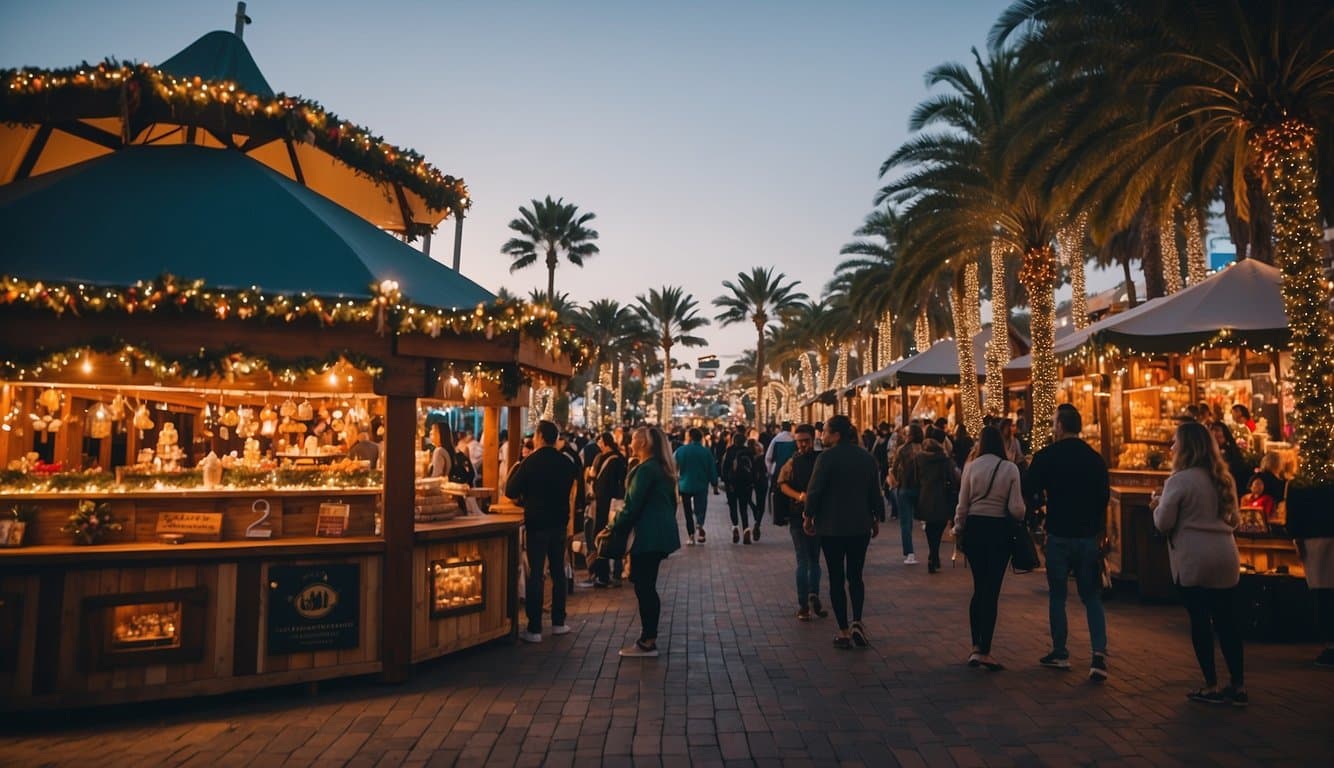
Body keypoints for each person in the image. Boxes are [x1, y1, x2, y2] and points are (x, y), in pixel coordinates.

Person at [1151, 421, 1246, 706]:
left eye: (1174, 442)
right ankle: (1238, 684)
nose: (1171, 447)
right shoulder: (1224, 478)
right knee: (1227, 621)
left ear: (1186, 447)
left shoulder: (1179, 481)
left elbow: (1163, 523)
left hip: (1194, 558)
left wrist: (1156, 505)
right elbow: (1236, 520)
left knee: (1200, 621)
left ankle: (1211, 684)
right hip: (1225, 555)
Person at [1024, 404, 1112, 681]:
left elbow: (1029, 489)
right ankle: (1098, 655)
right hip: (1087, 535)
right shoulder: (1094, 459)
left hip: (1059, 532)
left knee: (1058, 595)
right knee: (1091, 596)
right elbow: (1104, 497)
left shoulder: (1048, 456)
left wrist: (1039, 510)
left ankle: (1060, 650)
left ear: (1060, 426)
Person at [803, 415, 882, 649]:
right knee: (856, 576)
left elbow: (814, 489)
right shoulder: (866, 457)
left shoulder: (826, 458)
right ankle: (857, 620)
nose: (822, 435)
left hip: (832, 527)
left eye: (825, 431)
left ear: (836, 435)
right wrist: (876, 517)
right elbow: (874, 491)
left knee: (836, 578)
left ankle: (844, 630)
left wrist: (808, 515)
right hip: (860, 525)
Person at [953, 426, 1027, 671]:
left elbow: (962, 504)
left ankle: (975, 645)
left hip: (975, 529)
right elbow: (1017, 509)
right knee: (991, 589)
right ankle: (985, 649)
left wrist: (958, 528)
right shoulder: (1010, 468)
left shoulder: (972, 467)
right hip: (998, 531)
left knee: (978, 586)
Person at [606, 426, 682, 657]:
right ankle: (648, 637)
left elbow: (631, 506)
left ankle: (648, 640)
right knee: (646, 584)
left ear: (643, 444)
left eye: (635, 440)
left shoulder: (646, 471)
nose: (631, 443)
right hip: (659, 535)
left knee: (644, 587)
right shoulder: (663, 470)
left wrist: (611, 526)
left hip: (648, 536)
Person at [505, 420, 579, 644]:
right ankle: (559, 622)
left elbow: (510, 491)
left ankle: (535, 628)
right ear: (556, 438)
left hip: (537, 524)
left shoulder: (530, 462)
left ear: (539, 436)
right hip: (559, 524)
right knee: (558, 573)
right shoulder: (566, 462)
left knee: (536, 574)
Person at [776, 423, 825, 621]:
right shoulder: (817, 460)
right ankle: (811, 596)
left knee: (805, 560)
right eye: (800, 442)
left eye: (806, 441)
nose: (803, 445)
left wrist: (798, 496)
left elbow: (782, 484)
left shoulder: (796, 462)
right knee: (812, 560)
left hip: (804, 515)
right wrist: (801, 496)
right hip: (810, 514)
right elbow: (782, 485)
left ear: (813, 440)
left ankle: (805, 603)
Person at [583, 432, 627, 588]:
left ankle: (602, 574)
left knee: (601, 538)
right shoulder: (619, 459)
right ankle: (614, 572)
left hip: (604, 505)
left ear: (606, 443)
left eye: (600, 442)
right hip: (613, 504)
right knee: (612, 536)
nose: (599, 445)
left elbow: (593, 478)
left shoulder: (605, 459)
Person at [915, 435, 960, 573]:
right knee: (939, 526)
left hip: (925, 496)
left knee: (929, 526)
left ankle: (933, 554)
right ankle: (934, 554)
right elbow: (953, 479)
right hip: (942, 497)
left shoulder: (919, 459)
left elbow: (915, 479)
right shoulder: (945, 460)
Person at [673, 428, 717, 545]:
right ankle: (699, 523)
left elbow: (673, 467)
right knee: (700, 507)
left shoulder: (680, 451)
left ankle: (691, 535)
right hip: (701, 484)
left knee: (687, 511)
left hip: (685, 484)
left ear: (690, 437)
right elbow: (712, 468)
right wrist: (714, 484)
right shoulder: (706, 452)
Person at [888, 423, 925, 564]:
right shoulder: (924, 449)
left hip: (904, 488)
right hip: (922, 489)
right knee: (927, 518)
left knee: (906, 522)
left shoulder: (902, 450)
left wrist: (894, 480)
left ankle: (910, 553)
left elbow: (894, 468)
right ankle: (933, 553)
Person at [720, 430, 757, 544]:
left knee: (733, 507)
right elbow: (754, 469)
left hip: (732, 484)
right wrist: (752, 482)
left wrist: (726, 482)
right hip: (745, 485)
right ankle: (746, 529)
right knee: (743, 508)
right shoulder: (748, 452)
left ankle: (735, 527)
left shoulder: (729, 451)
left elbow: (724, 469)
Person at [1211, 421, 1253, 501]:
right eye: (1212, 430)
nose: (1214, 433)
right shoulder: (1210, 451)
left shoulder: (1231, 451)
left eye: (1217, 430)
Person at [749, 438, 768, 540]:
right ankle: (757, 520)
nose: (758, 446)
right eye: (756, 445)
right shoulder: (761, 458)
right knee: (760, 504)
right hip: (760, 481)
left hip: (756, 482)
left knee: (760, 503)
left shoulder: (752, 458)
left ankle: (757, 522)